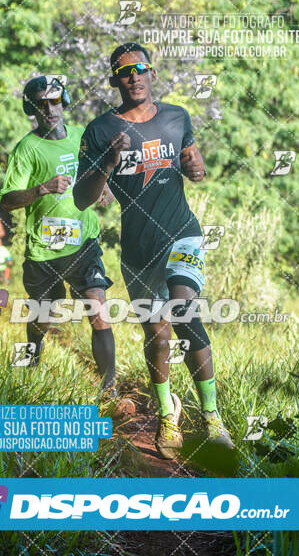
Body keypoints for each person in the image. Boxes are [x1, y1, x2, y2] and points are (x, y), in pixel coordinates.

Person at [74, 43, 233, 458]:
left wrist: (196, 169)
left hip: (182, 232)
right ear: (114, 80)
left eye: (141, 68)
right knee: (156, 335)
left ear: (152, 73)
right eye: (125, 71)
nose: (134, 76)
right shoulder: (98, 131)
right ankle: (168, 413)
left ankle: (213, 416)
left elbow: (191, 163)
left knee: (183, 311)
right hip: (137, 247)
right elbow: (80, 198)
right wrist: (108, 163)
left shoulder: (177, 116)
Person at [0, 74, 122, 405]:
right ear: (32, 108)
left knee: (97, 306)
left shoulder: (83, 137)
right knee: (41, 318)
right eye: (41, 103)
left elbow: (95, 170)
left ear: (64, 101)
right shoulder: (26, 149)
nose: (50, 109)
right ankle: (28, 375)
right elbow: (7, 200)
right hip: (44, 251)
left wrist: (104, 184)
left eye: (55, 101)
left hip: (83, 243)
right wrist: (42, 188)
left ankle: (109, 391)